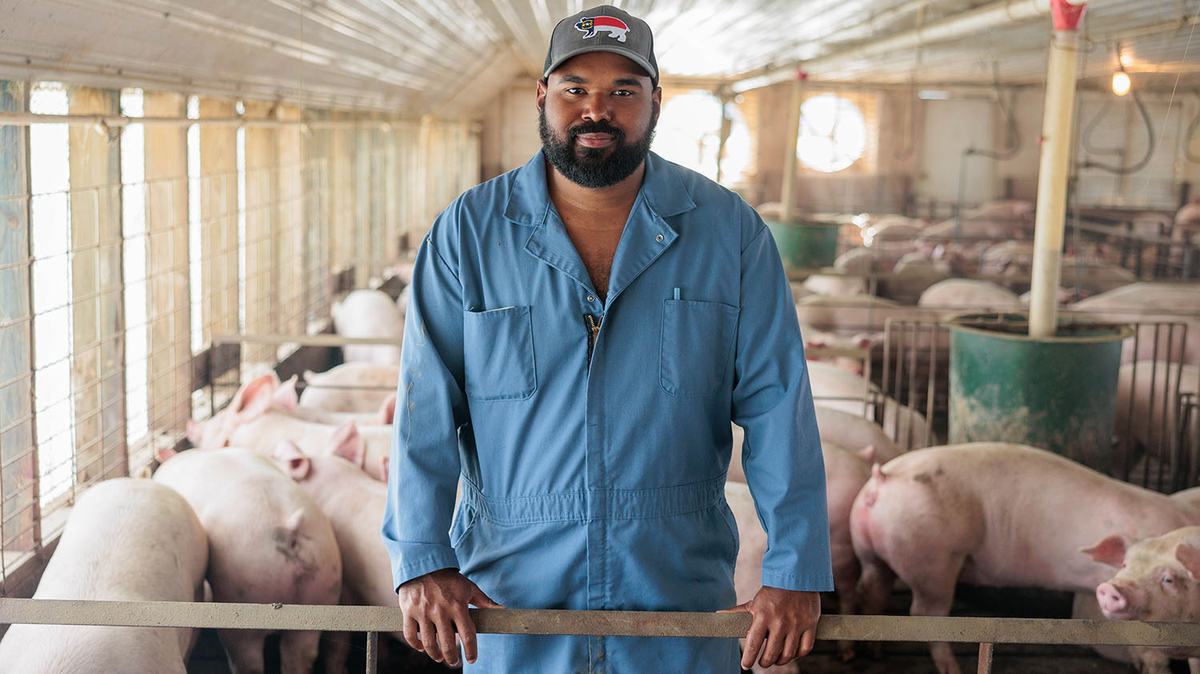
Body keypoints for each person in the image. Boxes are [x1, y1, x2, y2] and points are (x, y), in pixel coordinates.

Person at [381, 5, 831, 672]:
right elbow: (423, 411)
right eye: (575, 90)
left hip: (676, 591)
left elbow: (778, 402)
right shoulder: (470, 234)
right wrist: (421, 560)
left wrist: (795, 568)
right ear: (543, 97)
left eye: (623, 91)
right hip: (513, 597)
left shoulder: (727, 231)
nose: (598, 111)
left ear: (656, 101)